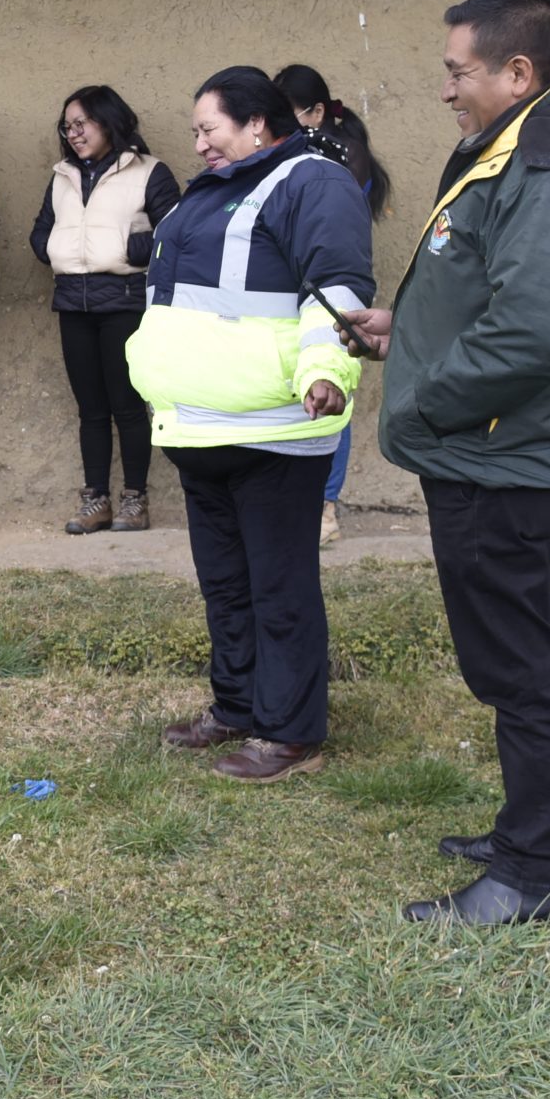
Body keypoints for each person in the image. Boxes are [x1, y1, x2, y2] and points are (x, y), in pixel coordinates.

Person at [340, 0, 550, 927]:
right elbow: (484, 291)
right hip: (490, 444)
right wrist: (408, 327)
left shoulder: (548, 164)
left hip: (497, 452)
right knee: (523, 648)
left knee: (521, 661)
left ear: (519, 72)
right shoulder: (515, 149)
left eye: (457, 70)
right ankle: (543, 830)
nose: (445, 89)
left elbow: (532, 330)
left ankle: (536, 871)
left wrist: (427, 394)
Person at [130, 67, 373, 784]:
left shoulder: (311, 181)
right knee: (227, 585)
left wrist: (325, 371)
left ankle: (290, 732)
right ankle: (236, 705)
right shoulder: (214, 189)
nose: (198, 141)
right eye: (196, 129)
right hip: (201, 429)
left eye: (210, 127)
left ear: (259, 124)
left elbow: (335, 286)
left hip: (275, 428)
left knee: (279, 586)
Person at [29, 85, 177, 535]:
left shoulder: (150, 172)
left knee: (128, 406)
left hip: (126, 302)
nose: (73, 135)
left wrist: (135, 250)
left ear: (109, 121)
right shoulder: (62, 177)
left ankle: (135, 499)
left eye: (82, 124)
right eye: (67, 126)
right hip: (73, 302)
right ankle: (96, 500)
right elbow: (41, 231)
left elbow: (177, 234)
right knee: (90, 409)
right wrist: (53, 250)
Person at [273, 64, 396, 548]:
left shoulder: (346, 156)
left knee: (331, 386)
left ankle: (326, 505)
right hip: (294, 286)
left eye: (282, 114)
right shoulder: (297, 151)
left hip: (332, 287)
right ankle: (297, 500)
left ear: (316, 113)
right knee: (303, 383)